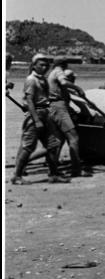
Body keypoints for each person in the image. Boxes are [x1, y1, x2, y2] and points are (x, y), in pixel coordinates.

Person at [11, 54, 67, 185]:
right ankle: (17, 176)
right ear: (34, 65)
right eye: (41, 65)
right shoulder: (31, 80)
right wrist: (36, 120)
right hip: (35, 114)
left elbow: (43, 98)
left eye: (46, 65)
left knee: (53, 145)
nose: (44, 67)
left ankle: (53, 175)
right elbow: (29, 101)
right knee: (28, 146)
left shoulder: (42, 79)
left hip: (45, 113)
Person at [47, 55, 92, 177]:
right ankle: (76, 170)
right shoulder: (58, 72)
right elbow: (64, 82)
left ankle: (52, 170)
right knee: (74, 139)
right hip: (59, 107)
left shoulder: (52, 72)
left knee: (59, 140)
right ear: (64, 64)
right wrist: (78, 88)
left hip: (53, 107)